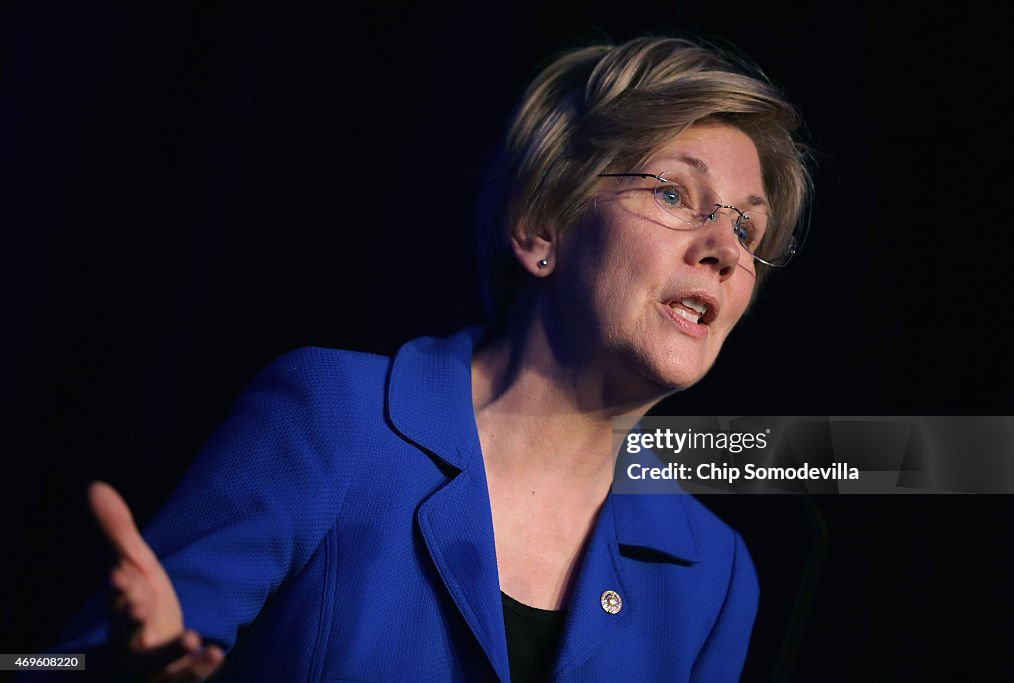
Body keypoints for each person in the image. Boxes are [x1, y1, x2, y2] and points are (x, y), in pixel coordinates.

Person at [33, 35, 810, 682]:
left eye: (748, 229)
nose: (724, 251)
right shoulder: (333, 416)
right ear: (543, 227)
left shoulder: (714, 573)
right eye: (676, 194)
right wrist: (110, 668)